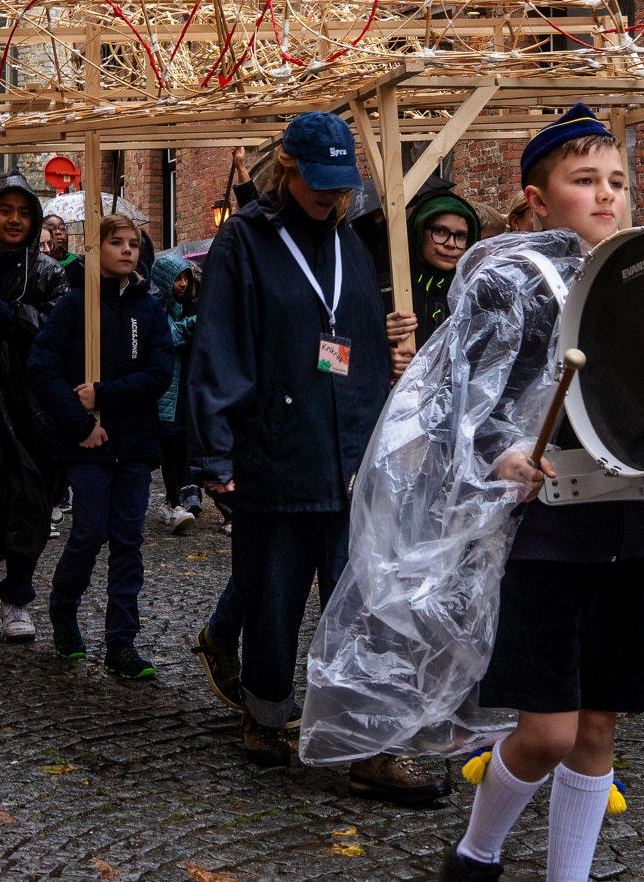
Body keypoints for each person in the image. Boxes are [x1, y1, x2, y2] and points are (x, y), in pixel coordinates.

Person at [428, 104, 644, 882]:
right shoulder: (506, 280)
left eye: (616, 180)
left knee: (597, 728)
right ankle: (476, 853)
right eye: (585, 180)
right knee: (545, 731)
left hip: (626, 523)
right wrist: (502, 450)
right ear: (539, 198)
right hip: (542, 530)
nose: (607, 195)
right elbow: (455, 398)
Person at [189, 111, 443, 805]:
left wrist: (391, 348)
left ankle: (365, 739)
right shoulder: (245, 240)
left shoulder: (351, 244)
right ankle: (265, 715)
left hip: (350, 452)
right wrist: (215, 451)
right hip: (275, 448)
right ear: (288, 171)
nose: (330, 199)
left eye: (340, 187)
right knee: (271, 596)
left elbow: (351, 335)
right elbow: (219, 344)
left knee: (360, 604)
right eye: (318, 185)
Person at [29, 213, 174, 679]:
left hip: (133, 444)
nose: (127, 250)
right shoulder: (75, 306)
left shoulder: (150, 309)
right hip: (86, 444)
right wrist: (80, 423)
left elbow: (158, 374)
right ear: (97, 249)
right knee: (89, 533)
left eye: (134, 243)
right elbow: (42, 369)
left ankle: (121, 642)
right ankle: (63, 608)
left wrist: (105, 395)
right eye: (117, 242)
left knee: (129, 541)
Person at [0, 174, 70, 640]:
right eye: (6, 211)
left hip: (33, 408)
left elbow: (61, 332)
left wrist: (5, 312)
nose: (14, 220)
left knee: (31, 500)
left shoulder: (49, 272)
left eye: (24, 213)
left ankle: (18, 597)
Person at [150, 252, 201, 534]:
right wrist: (193, 327)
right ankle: (171, 501)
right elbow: (166, 336)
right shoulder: (157, 309)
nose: (183, 284)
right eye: (178, 279)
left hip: (187, 391)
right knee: (170, 447)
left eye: (186, 278)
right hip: (168, 391)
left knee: (183, 446)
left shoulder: (191, 307)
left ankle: (179, 498)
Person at [404, 191, 479, 348]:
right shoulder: (389, 288)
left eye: (460, 236)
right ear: (419, 232)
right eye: (440, 231)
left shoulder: (474, 296)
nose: (451, 243)